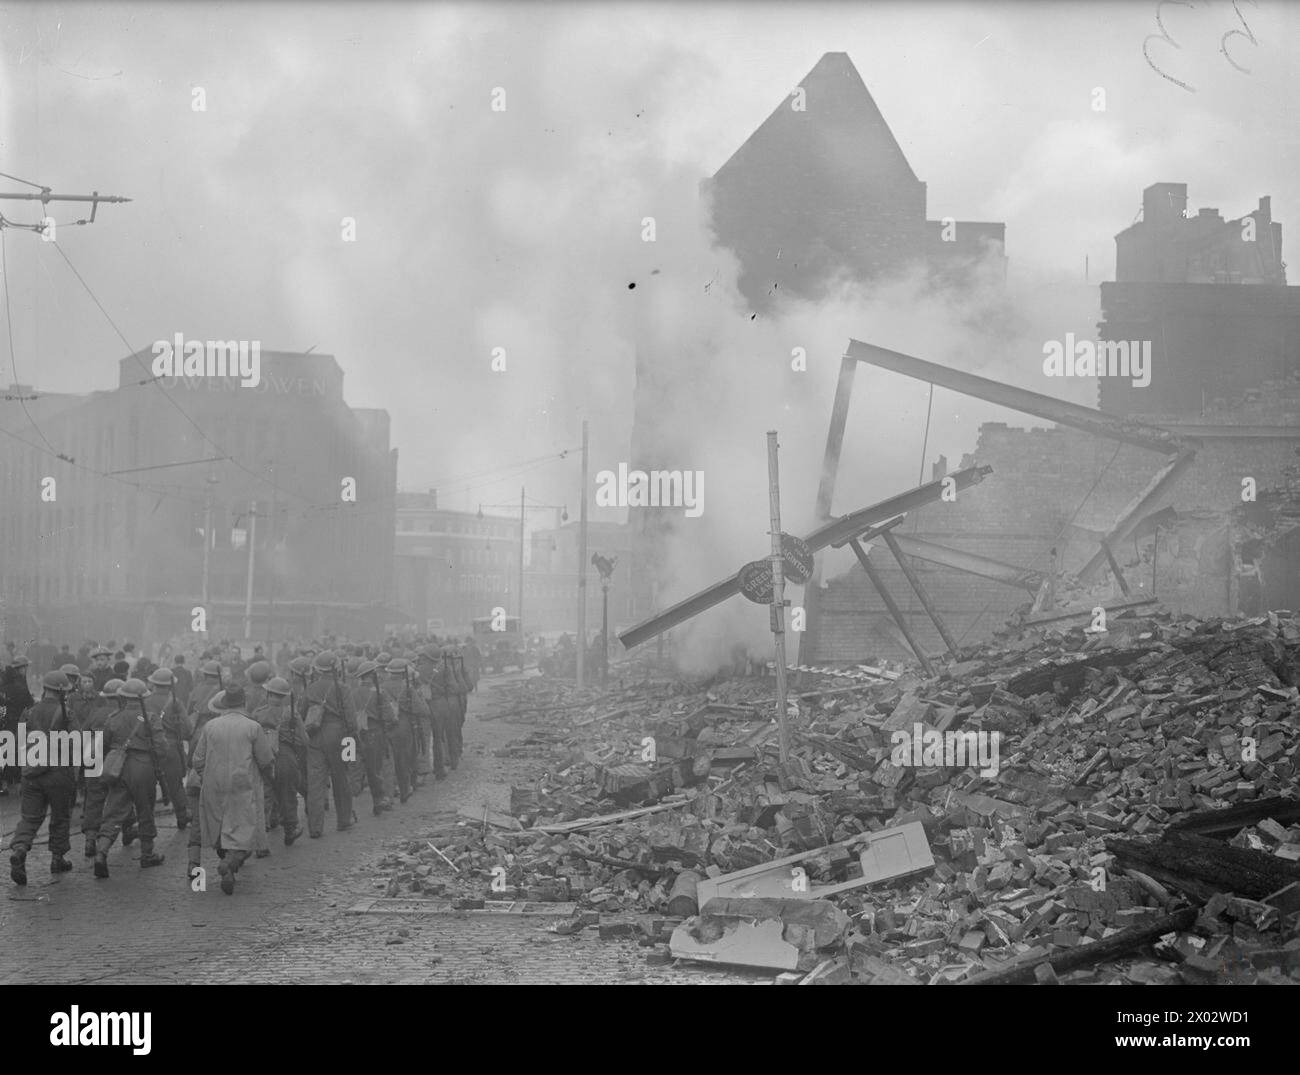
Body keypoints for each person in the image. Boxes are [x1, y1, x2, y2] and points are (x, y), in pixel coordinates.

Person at [192, 687, 274, 895]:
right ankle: (230, 862)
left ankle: (227, 861)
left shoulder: (210, 726)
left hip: (214, 782)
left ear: (225, 703)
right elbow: (265, 759)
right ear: (243, 702)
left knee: (219, 824)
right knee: (244, 827)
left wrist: (206, 776)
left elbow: (197, 759)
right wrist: (268, 778)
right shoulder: (252, 727)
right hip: (242, 782)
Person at [8, 671, 78, 885]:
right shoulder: (67, 714)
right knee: (60, 816)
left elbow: (19, 744)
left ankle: (20, 849)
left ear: (45, 688)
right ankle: (58, 859)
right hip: (58, 773)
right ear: (63, 691)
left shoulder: (28, 712)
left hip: (32, 773)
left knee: (29, 818)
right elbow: (77, 743)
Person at [93, 679, 167, 879]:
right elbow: (162, 748)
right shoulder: (150, 718)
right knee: (145, 811)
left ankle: (101, 852)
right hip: (143, 767)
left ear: (123, 697)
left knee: (113, 812)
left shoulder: (113, 718)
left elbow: (105, 744)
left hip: (119, 768)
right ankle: (147, 854)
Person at [303, 651, 357, 838]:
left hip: (315, 736)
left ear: (318, 669)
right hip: (340, 736)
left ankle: (315, 827)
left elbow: (302, 714)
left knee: (316, 784)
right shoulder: (343, 688)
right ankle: (344, 820)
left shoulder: (310, 688)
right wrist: (353, 738)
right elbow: (351, 719)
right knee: (342, 779)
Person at [253, 676, 306, 845]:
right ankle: (290, 829)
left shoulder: (257, 713)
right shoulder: (291, 714)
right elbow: (304, 740)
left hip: (262, 757)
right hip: (285, 756)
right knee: (288, 792)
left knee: (265, 791)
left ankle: (264, 826)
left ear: (268, 693)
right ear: (284, 696)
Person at [80, 678, 125, 858]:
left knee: (93, 800)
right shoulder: (122, 714)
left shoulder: (96, 713)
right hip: (115, 762)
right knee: (122, 798)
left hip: (94, 760)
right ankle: (128, 830)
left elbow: (83, 733)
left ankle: (90, 839)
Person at [146, 667, 192, 830]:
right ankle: (182, 816)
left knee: (148, 787)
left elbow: (140, 721)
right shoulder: (176, 703)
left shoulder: (145, 702)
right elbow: (188, 728)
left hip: (150, 750)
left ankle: (147, 823)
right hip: (171, 748)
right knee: (176, 785)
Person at [0, 657, 35, 796]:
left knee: (4, 752)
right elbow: (29, 703)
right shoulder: (21, 685)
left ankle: (4, 784)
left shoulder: (4, 686)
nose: (26, 670)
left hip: (5, 723)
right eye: (24, 667)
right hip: (17, 723)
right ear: (20, 669)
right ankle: (17, 783)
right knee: (19, 752)